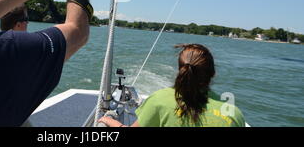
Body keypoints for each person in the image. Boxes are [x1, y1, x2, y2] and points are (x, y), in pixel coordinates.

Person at [98, 44, 245, 127]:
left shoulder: (159, 101)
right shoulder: (233, 113)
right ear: (212, 74)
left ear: (180, 70)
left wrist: (110, 122)